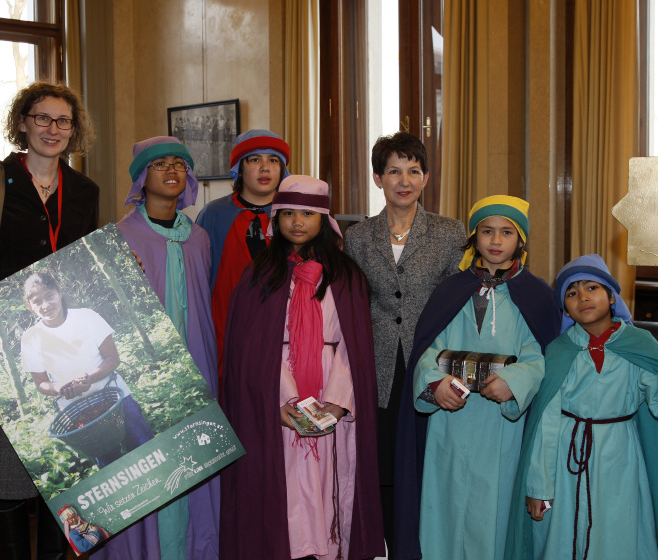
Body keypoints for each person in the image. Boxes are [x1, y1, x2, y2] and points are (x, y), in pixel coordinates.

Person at [508, 254, 658, 560]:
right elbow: (546, 424)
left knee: (620, 528)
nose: (583, 298)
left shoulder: (639, 343)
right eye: (572, 293)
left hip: (621, 457)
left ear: (611, 295)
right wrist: (539, 485)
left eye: (592, 287)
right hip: (566, 458)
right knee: (565, 533)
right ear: (564, 307)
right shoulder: (558, 351)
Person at [220, 175, 384, 559]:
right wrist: (284, 401)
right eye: (288, 213)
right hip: (278, 398)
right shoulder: (260, 274)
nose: (297, 221)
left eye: (307, 213)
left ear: (324, 220)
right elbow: (252, 351)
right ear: (275, 219)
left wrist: (338, 402)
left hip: (329, 394)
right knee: (286, 485)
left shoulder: (346, 276)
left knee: (328, 479)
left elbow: (353, 348)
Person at [396, 196, 561, 559]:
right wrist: (434, 384)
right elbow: (428, 347)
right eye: (487, 231)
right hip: (449, 425)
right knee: (445, 504)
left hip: (501, 429)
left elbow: (540, 355)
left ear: (521, 240)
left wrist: (515, 382)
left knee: (494, 510)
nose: (496, 241)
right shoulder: (451, 290)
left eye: (506, 232)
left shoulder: (535, 295)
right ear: (474, 237)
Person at [0, 81, 99, 560]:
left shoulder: (85, 190)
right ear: (22, 122)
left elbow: (83, 266)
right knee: (11, 468)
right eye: (42, 118)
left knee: (63, 466)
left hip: (63, 340)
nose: (53, 128)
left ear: (74, 129)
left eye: (63, 120)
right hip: (4, 343)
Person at [92, 136, 220, 559]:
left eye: (180, 163)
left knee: (195, 467)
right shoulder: (117, 238)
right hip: (144, 377)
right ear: (141, 177)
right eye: (160, 163)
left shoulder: (199, 238)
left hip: (198, 367)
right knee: (149, 466)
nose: (171, 170)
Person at [343, 131, 466, 552]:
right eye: (393, 170)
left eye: (413, 170)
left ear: (427, 177)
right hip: (376, 365)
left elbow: (460, 304)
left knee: (428, 463)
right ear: (378, 178)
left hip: (430, 361)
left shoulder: (451, 234)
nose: (404, 179)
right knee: (385, 467)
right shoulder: (358, 237)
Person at [21, 271, 154, 468]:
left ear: (59, 292)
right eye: (37, 301)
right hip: (78, 413)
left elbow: (113, 358)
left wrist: (90, 377)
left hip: (117, 399)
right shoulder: (31, 338)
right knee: (112, 467)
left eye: (49, 296)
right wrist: (59, 388)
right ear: (30, 306)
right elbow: (41, 383)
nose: (45, 305)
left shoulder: (86, 317)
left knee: (147, 450)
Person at [195, 129, 291, 381]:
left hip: (282, 331)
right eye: (254, 159)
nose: (265, 168)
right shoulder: (213, 215)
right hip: (226, 332)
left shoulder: (295, 216)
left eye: (273, 160)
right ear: (239, 167)